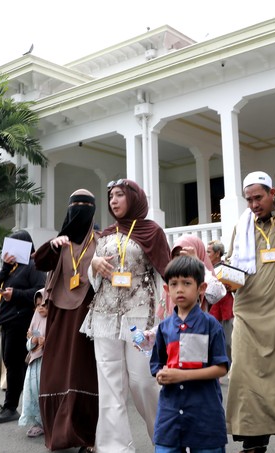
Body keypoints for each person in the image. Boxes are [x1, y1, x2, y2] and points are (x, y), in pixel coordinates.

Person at [83, 178, 172, 453]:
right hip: (105, 316)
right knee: (110, 384)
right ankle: (114, 447)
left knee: (143, 381)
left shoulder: (151, 232)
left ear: (133, 198)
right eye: (111, 196)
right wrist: (93, 264)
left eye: (120, 195)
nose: (113, 201)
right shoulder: (105, 234)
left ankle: (166, 440)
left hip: (139, 316)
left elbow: (165, 272)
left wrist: (166, 314)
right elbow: (93, 275)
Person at [225, 171, 275, 453]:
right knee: (244, 374)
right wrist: (226, 277)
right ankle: (252, 440)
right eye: (248, 199)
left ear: (271, 194)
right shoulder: (243, 226)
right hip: (248, 310)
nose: (253, 204)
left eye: (258, 197)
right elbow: (234, 262)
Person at [33, 189, 99, 452]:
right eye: (75, 205)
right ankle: (58, 434)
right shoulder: (60, 242)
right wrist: (52, 244)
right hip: (60, 316)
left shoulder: (101, 240)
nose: (79, 209)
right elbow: (39, 262)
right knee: (57, 373)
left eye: (85, 205)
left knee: (83, 374)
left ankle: (86, 436)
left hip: (88, 313)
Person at [151, 255, 229, 453]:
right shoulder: (164, 328)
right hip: (170, 414)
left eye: (187, 283)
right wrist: (161, 374)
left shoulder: (211, 325)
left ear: (201, 288)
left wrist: (181, 375)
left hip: (204, 413)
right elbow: (157, 364)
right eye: (174, 283)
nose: (180, 289)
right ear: (167, 290)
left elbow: (221, 368)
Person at [0, 230, 47, 423]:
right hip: (7, 321)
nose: (9, 249)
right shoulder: (12, 268)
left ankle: (11, 406)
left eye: (14, 245)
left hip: (22, 322)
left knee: (15, 364)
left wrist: (16, 295)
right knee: (11, 362)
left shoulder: (34, 265)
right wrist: (5, 268)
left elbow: (40, 292)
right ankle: (15, 405)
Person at [169, 234, 226, 313]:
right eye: (177, 255)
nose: (180, 259)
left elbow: (216, 293)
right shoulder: (170, 277)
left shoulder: (203, 274)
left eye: (185, 254)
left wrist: (197, 264)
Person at [20, 288, 48, 438]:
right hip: (34, 362)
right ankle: (37, 422)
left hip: (47, 363)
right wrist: (34, 340)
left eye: (44, 304)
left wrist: (46, 342)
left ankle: (47, 422)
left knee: (45, 392)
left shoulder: (55, 320)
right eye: (38, 305)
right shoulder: (35, 319)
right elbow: (29, 345)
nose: (41, 307)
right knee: (33, 392)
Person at [207, 240, 234, 361]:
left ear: (217, 254)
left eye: (209, 252)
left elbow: (236, 286)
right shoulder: (206, 270)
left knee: (229, 342)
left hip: (227, 308)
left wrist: (230, 286)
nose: (206, 254)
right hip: (211, 309)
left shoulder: (226, 268)